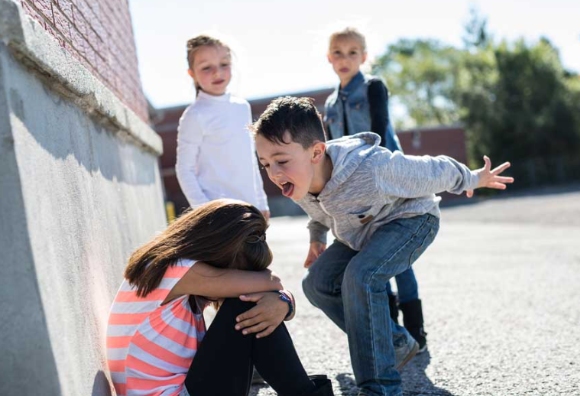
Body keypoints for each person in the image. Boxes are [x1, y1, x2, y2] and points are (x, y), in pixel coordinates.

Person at [251, 97, 513, 396]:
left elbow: (432, 170)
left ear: (316, 152)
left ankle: (380, 387)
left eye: (281, 160)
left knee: (361, 277)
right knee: (317, 284)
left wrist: (473, 177)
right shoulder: (299, 181)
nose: (273, 172)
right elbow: (320, 213)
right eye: (265, 164)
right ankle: (395, 342)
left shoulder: (371, 168)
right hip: (362, 233)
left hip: (411, 221)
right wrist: (316, 238)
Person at [106, 199, 334, 396]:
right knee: (244, 303)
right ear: (218, 248)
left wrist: (284, 302)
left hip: (180, 389)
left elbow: (273, 290)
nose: (236, 278)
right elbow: (272, 283)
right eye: (237, 272)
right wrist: (282, 299)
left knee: (252, 303)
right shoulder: (176, 270)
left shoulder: (169, 269)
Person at [323, 27, 426, 349]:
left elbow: (380, 132)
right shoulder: (328, 103)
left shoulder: (373, 87)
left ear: (364, 57)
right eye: (338, 52)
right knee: (372, 257)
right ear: (329, 58)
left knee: (399, 258)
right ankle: (394, 334)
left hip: (388, 182)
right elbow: (331, 149)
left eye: (353, 52)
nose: (345, 58)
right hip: (353, 192)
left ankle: (416, 331)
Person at [176, 34, 269, 220]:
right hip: (219, 215)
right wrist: (205, 211)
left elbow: (250, 160)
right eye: (206, 67)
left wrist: (261, 202)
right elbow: (184, 169)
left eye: (224, 64)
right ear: (192, 73)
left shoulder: (242, 107)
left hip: (250, 209)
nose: (217, 73)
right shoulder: (195, 115)